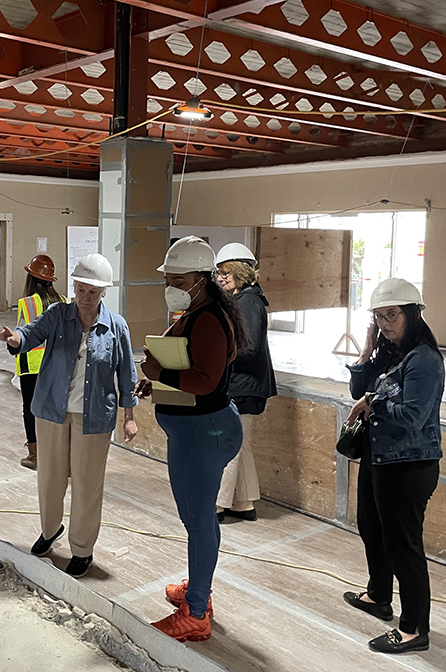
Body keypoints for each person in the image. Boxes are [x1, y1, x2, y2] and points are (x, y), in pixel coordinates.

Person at [0, 253, 138, 578]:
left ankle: (82, 549)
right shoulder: (57, 314)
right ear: (74, 287)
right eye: (81, 290)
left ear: (103, 292)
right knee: (50, 478)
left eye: (93, 292)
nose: (86, 298)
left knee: (88, 485)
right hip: (52, 411)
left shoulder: (116, 327)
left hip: (94, 418)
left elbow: (127, 374)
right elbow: (29, 334)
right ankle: (50, 530)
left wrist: (129, 415)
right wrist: (13, 338)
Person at [135, 236, 249, 642]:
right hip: (197, 430)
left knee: (199, 523)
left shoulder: (209, 319)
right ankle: (199, 588)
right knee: (197, 521)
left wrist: (159, 375)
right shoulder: (197, 311)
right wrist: (160, 386)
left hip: (205, 432)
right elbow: (189, 365)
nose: (171, 283)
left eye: (178, 277)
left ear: (201, 278)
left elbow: (207, 379)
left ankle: (196, 612)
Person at [343, 278, 444, 654]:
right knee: (371, 528)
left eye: (393, 316)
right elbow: (359, 390)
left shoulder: (424, 360)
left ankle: (414, 628)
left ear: (413, 315)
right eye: (380, 317)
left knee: (404, 546)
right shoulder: (390, 353)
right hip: (380, 457)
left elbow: (415, 416)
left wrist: (376, 406)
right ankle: (379, 595)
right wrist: (367, 350)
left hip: (409, 465)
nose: (386, 323)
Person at [214, 243, 277, 522]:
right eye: (218, 273)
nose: (220, 278)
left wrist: (216, 353)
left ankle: (215, 504)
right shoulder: (245, 300)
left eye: (226, 272)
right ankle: (244, 503)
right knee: (242, 445)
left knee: (230, 444)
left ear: (240, 271)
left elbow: (248, 346)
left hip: (244, 385)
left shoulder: (249, 301)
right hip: (246, 385)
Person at [14, 255, 66, 470]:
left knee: (31, 410)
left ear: (31, 278)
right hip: (57, 364)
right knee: (57, 410)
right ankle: (62, 457)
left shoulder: (26, 303)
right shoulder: (63, 300)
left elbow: (21, 335)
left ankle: (35, 455)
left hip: (31, 366)